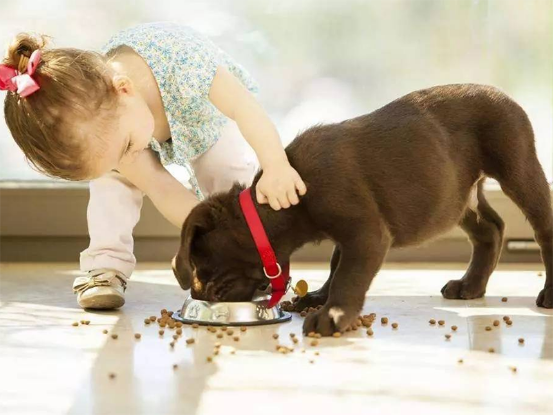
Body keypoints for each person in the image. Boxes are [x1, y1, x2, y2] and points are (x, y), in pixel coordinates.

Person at [1, 22, 306, 310]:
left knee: (226, 173)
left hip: (203, 117)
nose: (127, 158)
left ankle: (247, 264)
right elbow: (161, 187)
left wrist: (276, 164)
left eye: (125, 149)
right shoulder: (113, 129)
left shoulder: (186, 65)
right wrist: (205, 234)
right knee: (112, 184)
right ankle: (105, 266)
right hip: (128, 126)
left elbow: (245, 108)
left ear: (124, 89)